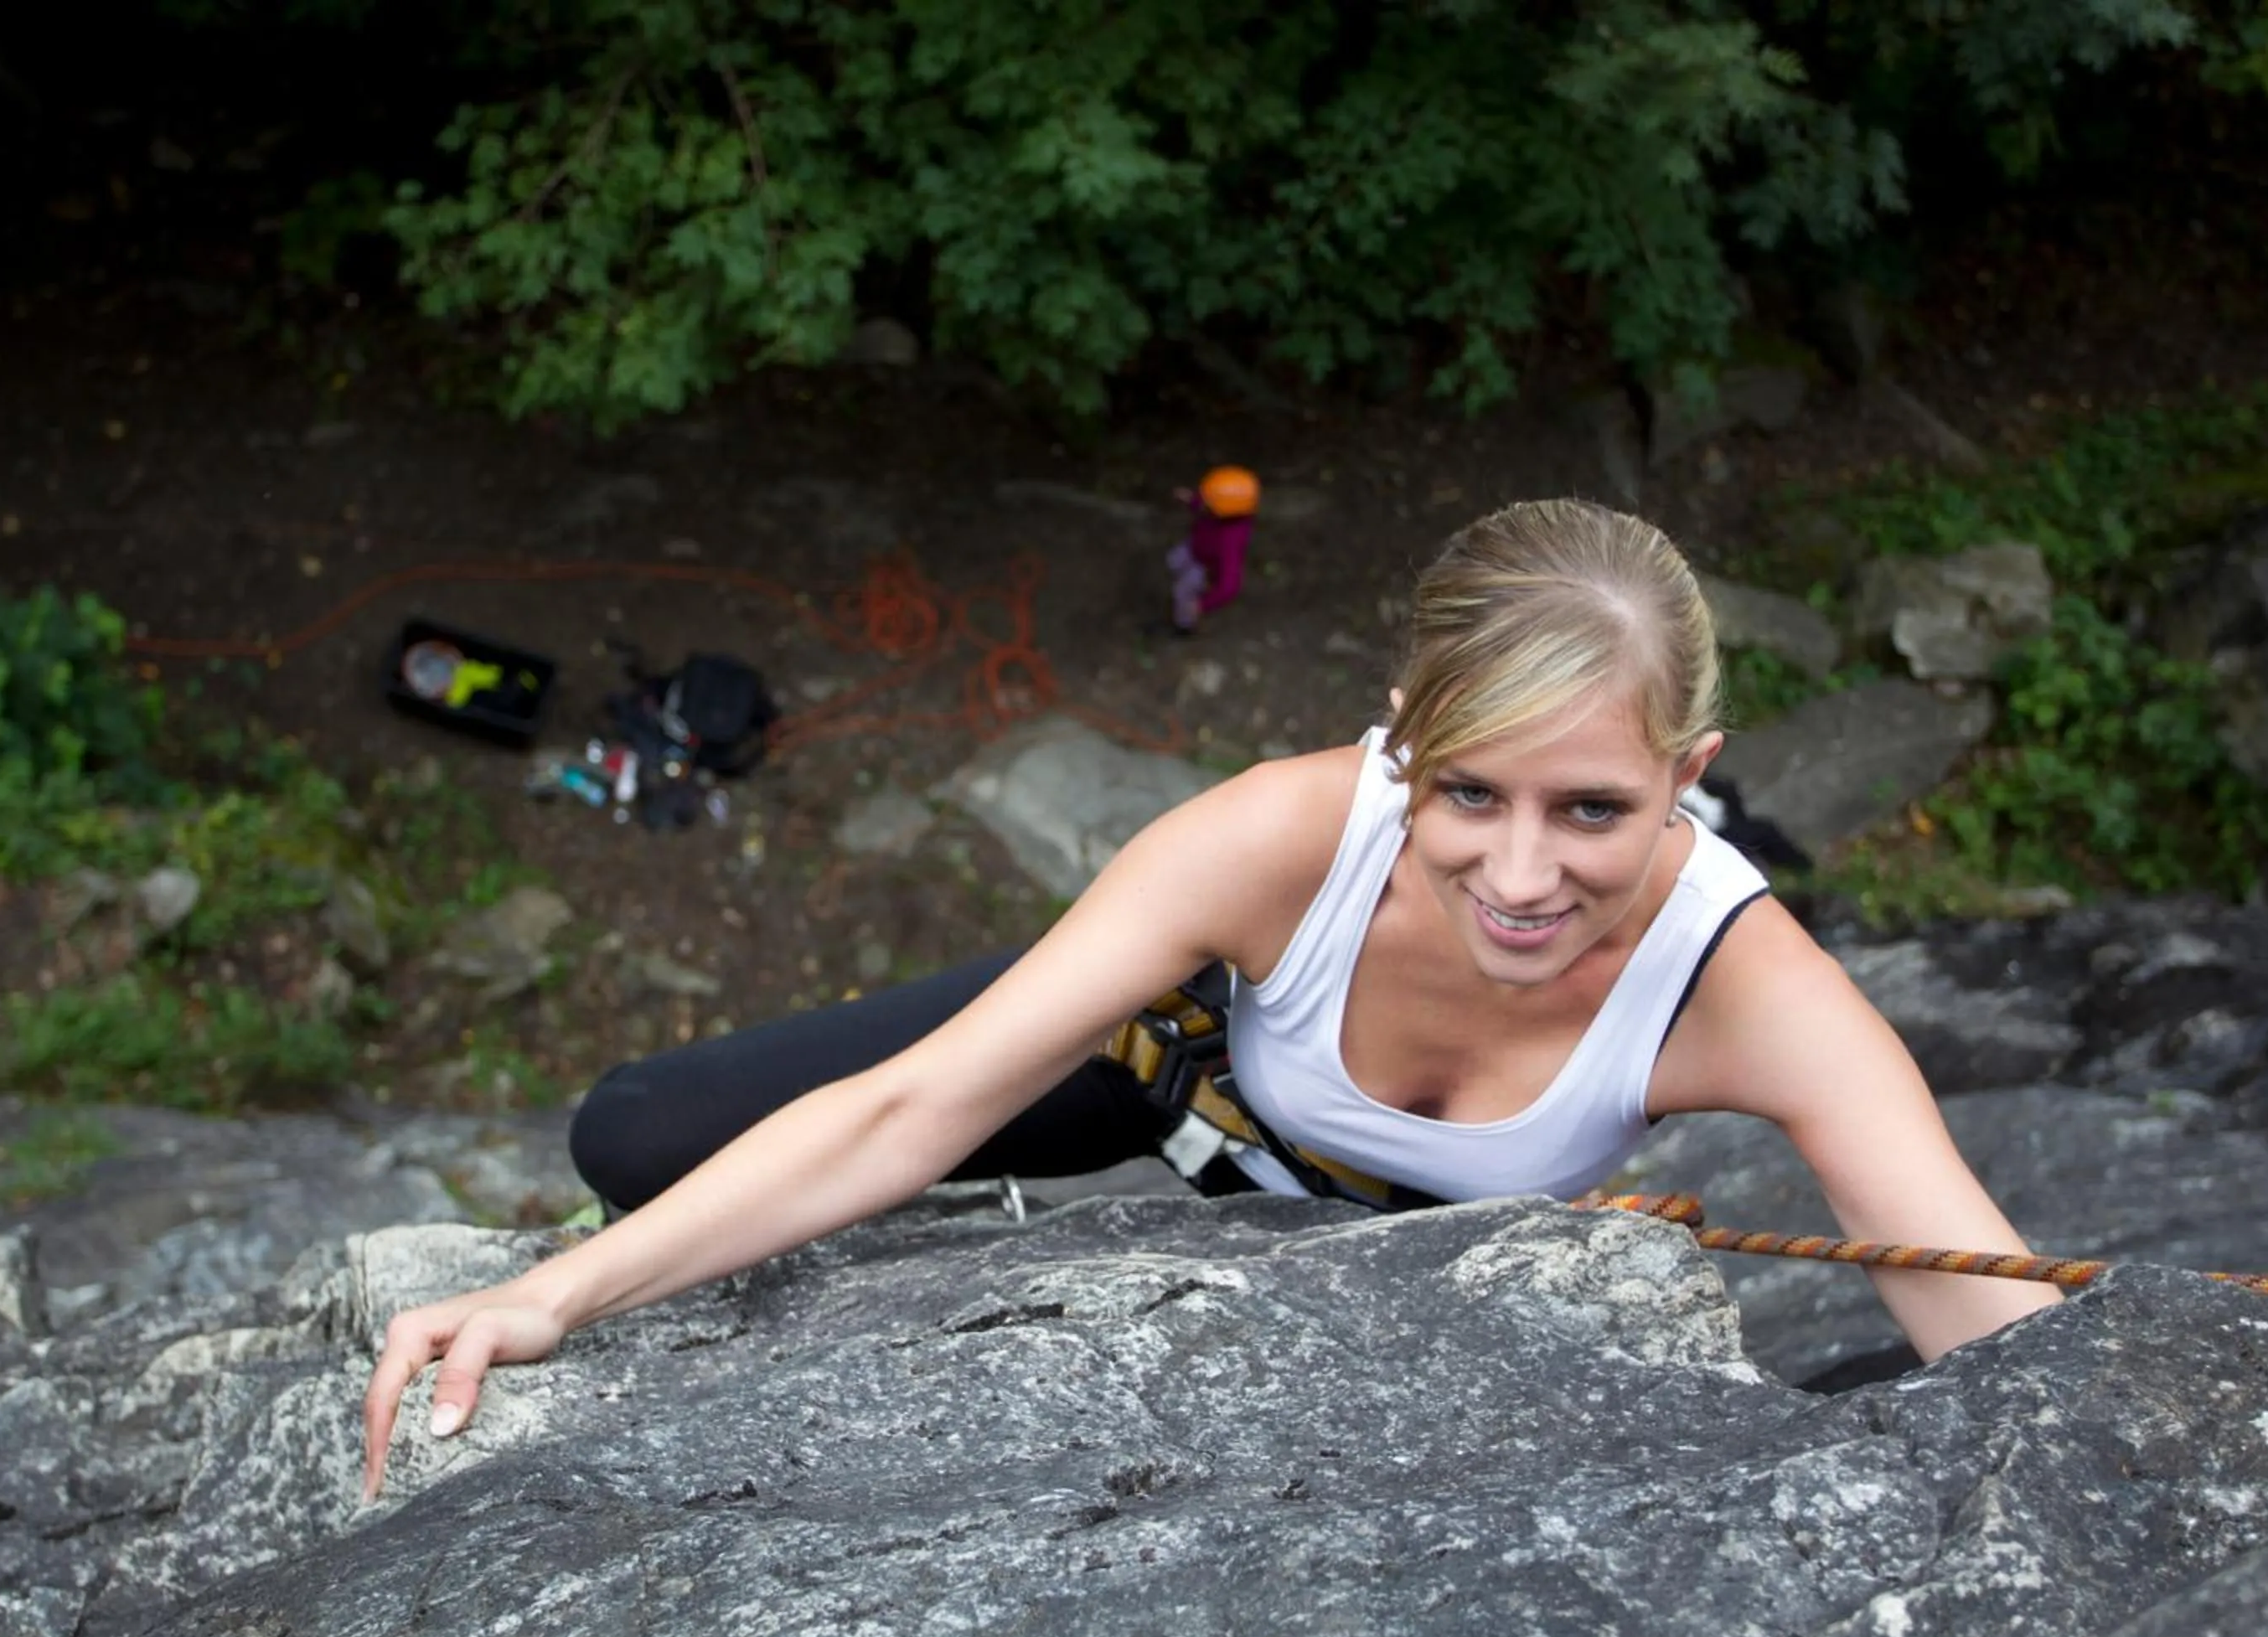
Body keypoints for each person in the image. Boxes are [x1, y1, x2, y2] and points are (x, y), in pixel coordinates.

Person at [360, 498, 2062, 1501]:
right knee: (637, 1134)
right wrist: (556, 1296)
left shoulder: (1747, 983)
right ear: (1401, 736)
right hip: (1179, 1071)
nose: (1525, 876)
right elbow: (913, 1103)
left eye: (1595, 810)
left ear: (1691, 778)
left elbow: (1992, 1319)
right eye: (1470, 795)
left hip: (1369, 1231)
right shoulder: (1279, 840)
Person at [1166, 465, 1259, 633]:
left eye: (1207, 501)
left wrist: (1202, 605)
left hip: (1204, 567)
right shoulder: (1225, 510)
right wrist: (1191, 500)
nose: (1201, 502)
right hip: (1194, 547)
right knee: (1173, 561)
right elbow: (1203, 506)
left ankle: (1183, 627)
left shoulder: (1230, 543)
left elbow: (1230, 585)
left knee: (1182, 593)